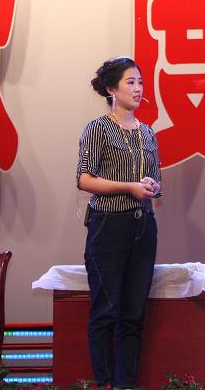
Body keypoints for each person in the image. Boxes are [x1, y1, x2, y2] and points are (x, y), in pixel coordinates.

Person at [76, 56, 161, 389]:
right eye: (130, 82)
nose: (138, 89)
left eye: (140, 82)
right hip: (108, 226)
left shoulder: (148, 133)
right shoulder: (98, 128)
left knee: (133, 314)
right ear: (112, 89)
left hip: (144, 226)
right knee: (106, 311)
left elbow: (156, 180)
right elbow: (84, 179)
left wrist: (152, 186)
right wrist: (129, 187)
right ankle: (105, 383)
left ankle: (127, 383)